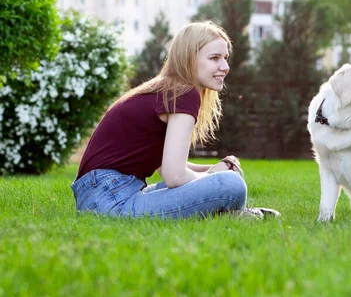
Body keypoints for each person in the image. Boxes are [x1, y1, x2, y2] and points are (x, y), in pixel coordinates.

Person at [71, 21, 279, 219]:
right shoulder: (183, 93)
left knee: (226, 177)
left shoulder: (168, 90)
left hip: (103, 195)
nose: (225, 66)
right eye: (214, 58)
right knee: (232, 184)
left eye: (225, 57)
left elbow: (167, 164)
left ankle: (229, 215)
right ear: (189, 58)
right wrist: (215, 176)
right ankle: (234, 216)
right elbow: (174, 175)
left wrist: (211, 169)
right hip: (112, 199)